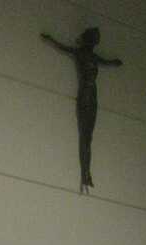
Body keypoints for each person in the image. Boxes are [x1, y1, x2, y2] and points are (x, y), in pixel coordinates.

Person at [41, 28, 123, 192]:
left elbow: (106, 62)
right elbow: (63, 48)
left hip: (92, 94)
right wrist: (50, 40)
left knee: (88, 136)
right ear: (89, 40)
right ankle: (85, 173)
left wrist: (114, 62)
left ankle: (86, 172)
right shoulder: (81, 53)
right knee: (85, 135)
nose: (96, 42)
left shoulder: (93, 56)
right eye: (95, 38)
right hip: (86, 93)